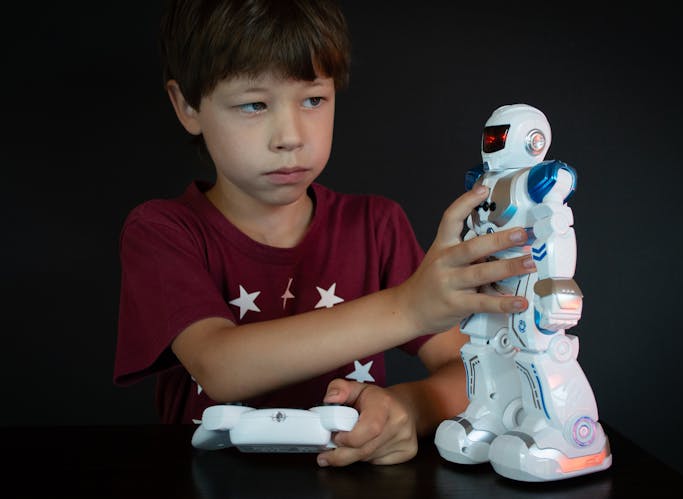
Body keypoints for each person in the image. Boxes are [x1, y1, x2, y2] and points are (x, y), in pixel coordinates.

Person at [113, 0, 535, 468]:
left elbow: (476, 376)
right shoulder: (163, 232)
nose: (290, 136)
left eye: (313, 99)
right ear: (187, 106)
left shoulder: (376, 226)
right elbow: (221, 368)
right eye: (254, 104)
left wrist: (408, 408)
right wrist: (411, 306)